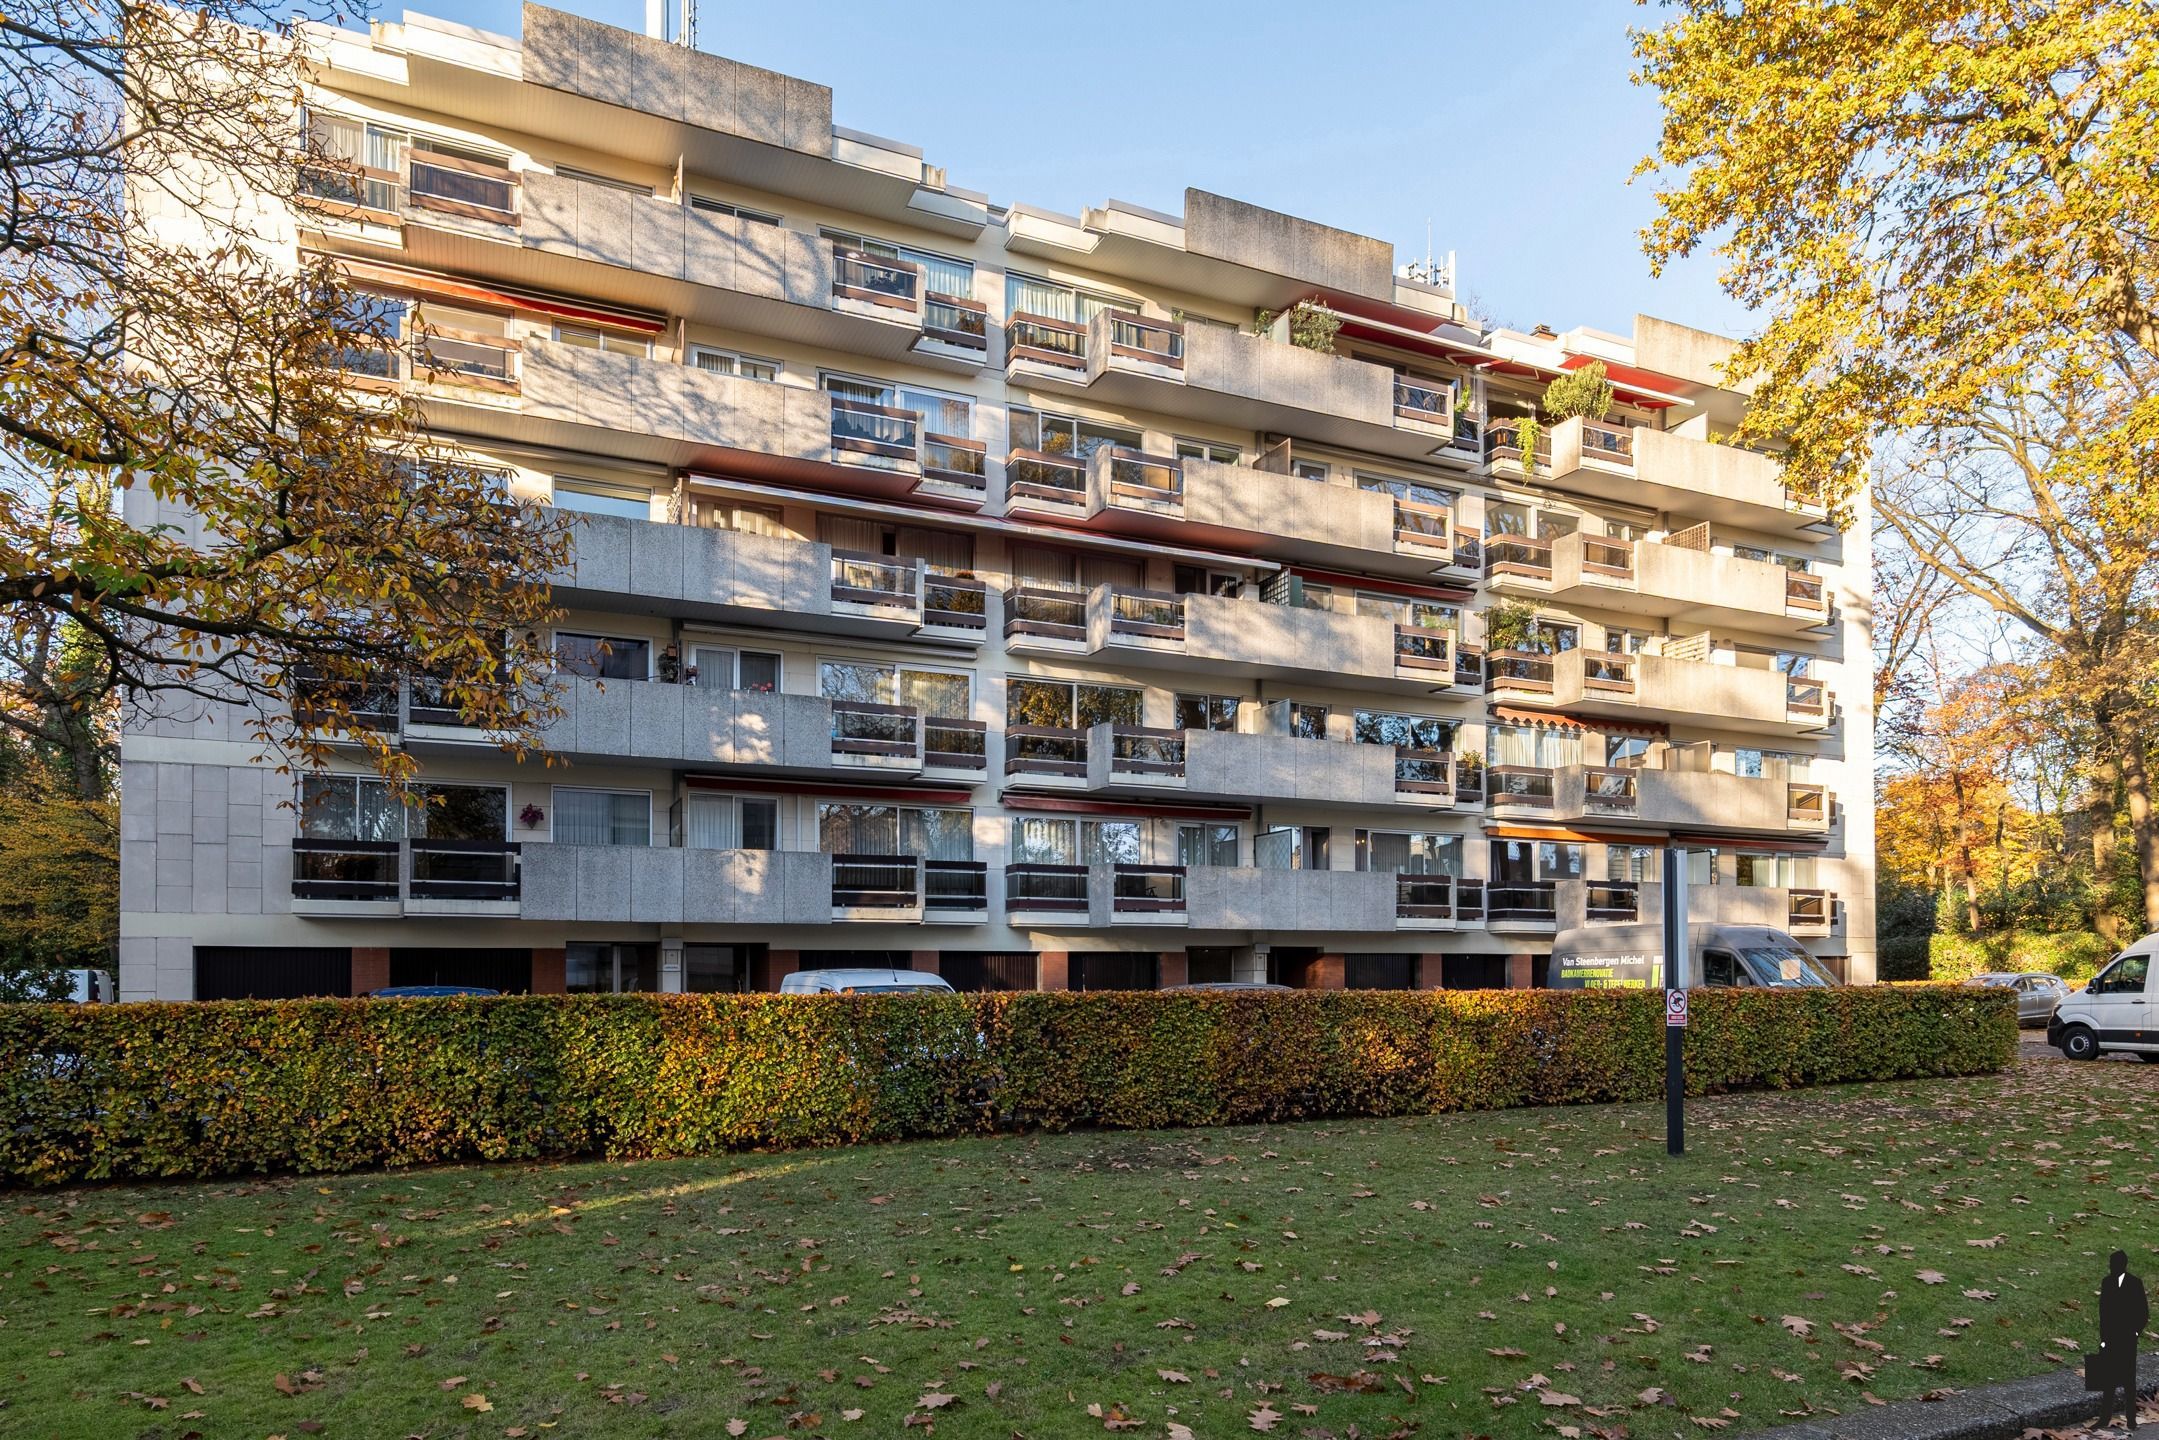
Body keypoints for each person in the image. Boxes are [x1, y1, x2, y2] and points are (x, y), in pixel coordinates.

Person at [2097, 1249, 2149, 1434]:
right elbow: (2103, 1312)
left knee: (2128, 1379)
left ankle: (2131, 1419)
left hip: (2127, 1337)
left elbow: (2143, 1311)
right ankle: (2105, 1417)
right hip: (2111, 1337)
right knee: (2109, 1379)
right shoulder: (2107, 1282)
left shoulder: (2134, 1284)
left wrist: (2135, 1332)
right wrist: (2103, 1338)